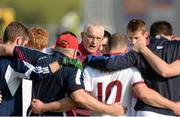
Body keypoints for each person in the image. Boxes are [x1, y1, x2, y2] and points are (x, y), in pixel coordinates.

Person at [0, 30, 125, 116]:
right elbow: (78, 98)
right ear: (76, 53)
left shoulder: (38, 57)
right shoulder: (73, 68)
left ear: (55, 48)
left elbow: (6, 48)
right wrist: (110, 109)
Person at [84, 19, 180, 116]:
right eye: (130, 38)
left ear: (147, 35)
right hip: (172, 111)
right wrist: (173, 106)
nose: (133, 42)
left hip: (148, 112)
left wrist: (88, 59)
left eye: (136, 38)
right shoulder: (176, 47)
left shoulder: (136, 53)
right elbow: (144, 91)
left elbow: (110, 63)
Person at [0, 21, 30, 116]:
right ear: (19, 41)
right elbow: (39, 73)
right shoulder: (16, 63)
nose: (26, 50)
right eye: (25, 46)